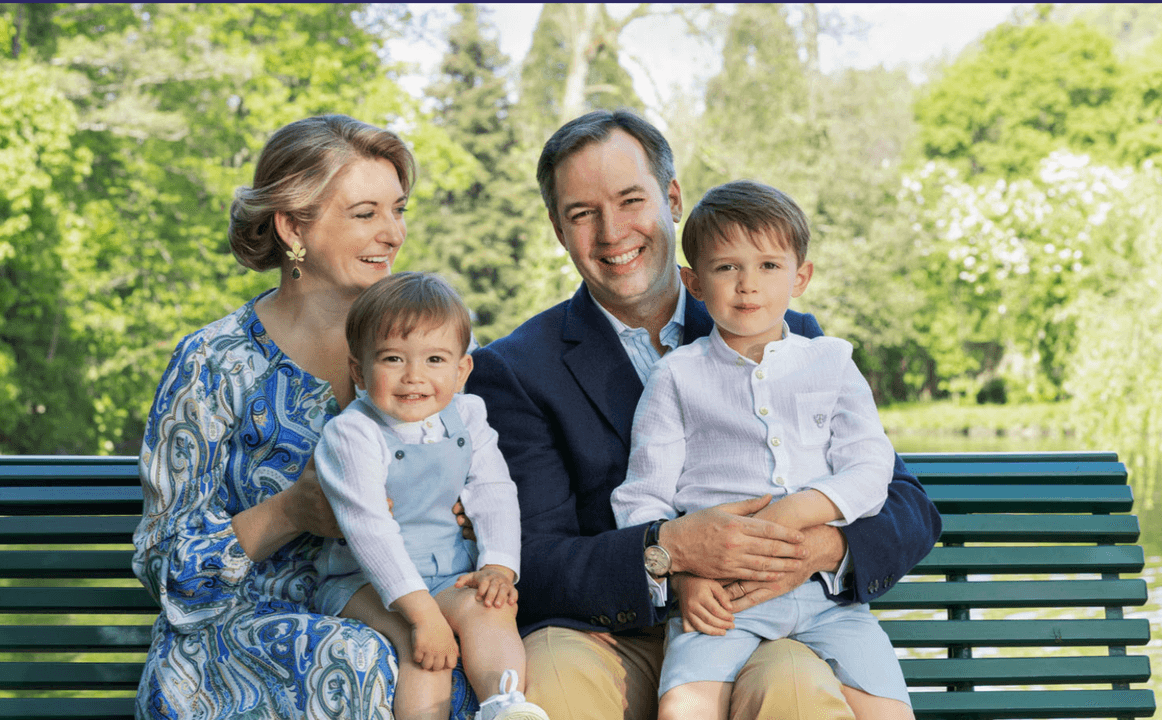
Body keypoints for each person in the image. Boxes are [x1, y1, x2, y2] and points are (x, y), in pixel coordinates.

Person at [464, 109, 942, 720]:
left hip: (763, 616)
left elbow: (903, 502)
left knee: (792, 685)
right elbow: (536, 556)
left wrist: (817, 548)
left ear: (671, 199)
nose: (612, 232)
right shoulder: (516, 369)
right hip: (612, 635)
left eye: (630, 200)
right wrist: (668, 555)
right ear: (559, 229)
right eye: (583, 213)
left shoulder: (790, 337)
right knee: (553, 675)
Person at [132, 115, 479, 719]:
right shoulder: (214, 363)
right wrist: (293, 511)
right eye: (365, 213)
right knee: (364, 657)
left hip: (404, 612)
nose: (392, 233)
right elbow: (167, 569)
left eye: (398, 210)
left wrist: (465, 511)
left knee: (469, 654)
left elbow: (477, 489)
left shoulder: (425, 358)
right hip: (234, 646)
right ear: (293, 226)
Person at [610, 180, 913, 719]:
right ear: (694, 282)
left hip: (828, 599)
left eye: (769, 266)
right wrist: (682, 579)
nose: (748, 285)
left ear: (801, 277)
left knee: (889, 711)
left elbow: (871, 467)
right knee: (684, 708)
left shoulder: (832, 362)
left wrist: (799, 510)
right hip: (720, 598)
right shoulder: (676, 377)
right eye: (727, 267)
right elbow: (643, 498)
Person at [314, 271, 548, 720]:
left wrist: (498, 565)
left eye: (435, 360)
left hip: (445, 570)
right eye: (393, 359)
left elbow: (493, 490)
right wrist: (423, 616)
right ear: (359, 370)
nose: (414, 377)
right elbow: (370, 531)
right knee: (424, 649)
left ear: (462, 370)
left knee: (489, 608)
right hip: (362, 582)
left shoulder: (467, 415)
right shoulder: (352, 433)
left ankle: (505, 705)